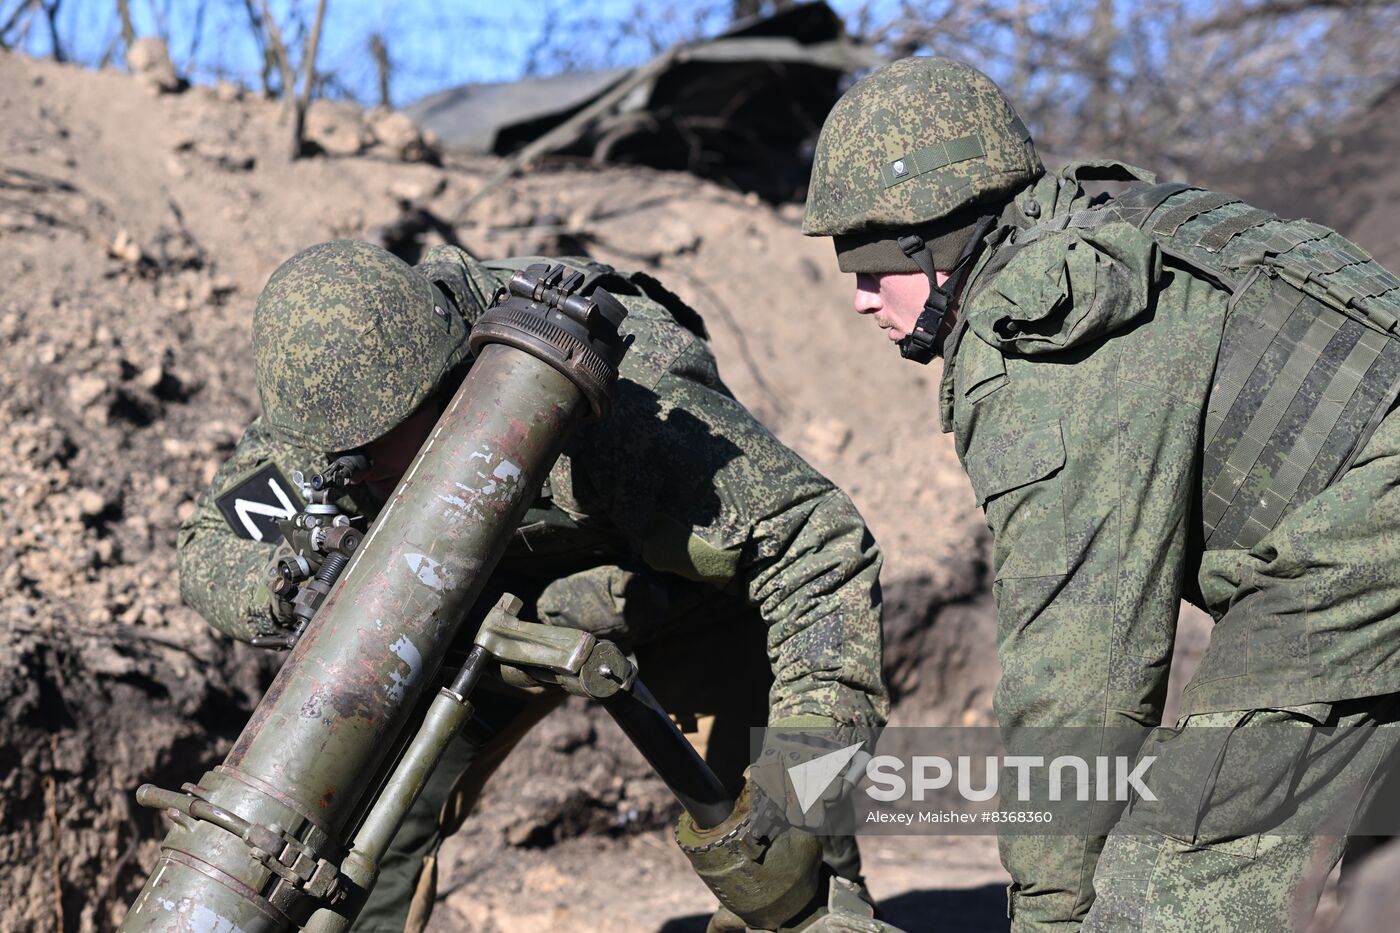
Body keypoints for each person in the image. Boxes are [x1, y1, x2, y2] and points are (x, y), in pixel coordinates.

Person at [802, 56, 1400, 932]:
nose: (858, 297)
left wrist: (1051, 910)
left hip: (1364, 544)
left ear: (941, 238)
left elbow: (1082, 673)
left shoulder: (1045, 335)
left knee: (1166, 891)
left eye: (869, 257)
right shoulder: (1128, 228)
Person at [176, 239, 888, 932]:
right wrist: (289, 587)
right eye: (330, 456)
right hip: (468, 621)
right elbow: (209, 548)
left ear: (444, 388)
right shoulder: (329, 424)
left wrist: (802, 763)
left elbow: (816, 545)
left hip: (679, 610)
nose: (344, 475)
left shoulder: (624, 398)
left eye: (362, 455)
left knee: (783, 861)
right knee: (346, 835)